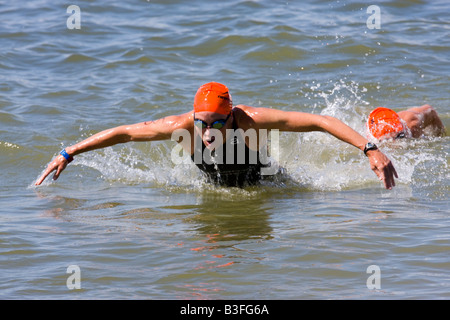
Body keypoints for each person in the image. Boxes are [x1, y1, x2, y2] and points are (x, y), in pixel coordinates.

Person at [35, 82, 398, 189]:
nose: (208, 132)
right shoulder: (182, 126)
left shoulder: (249, 119)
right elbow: (126, 133)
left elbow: (319, 121)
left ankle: (397, 126)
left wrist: (369, 147)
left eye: (217, 124)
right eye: (201, 122)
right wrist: (68, 152)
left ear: (231, 114)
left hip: (267, 184)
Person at [367, 105, 445, 141]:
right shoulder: (371, 130)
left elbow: (429, 109)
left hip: (431, 119)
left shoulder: (412, 124)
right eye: (387, 140)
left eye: (397, 137)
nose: (393, 141)